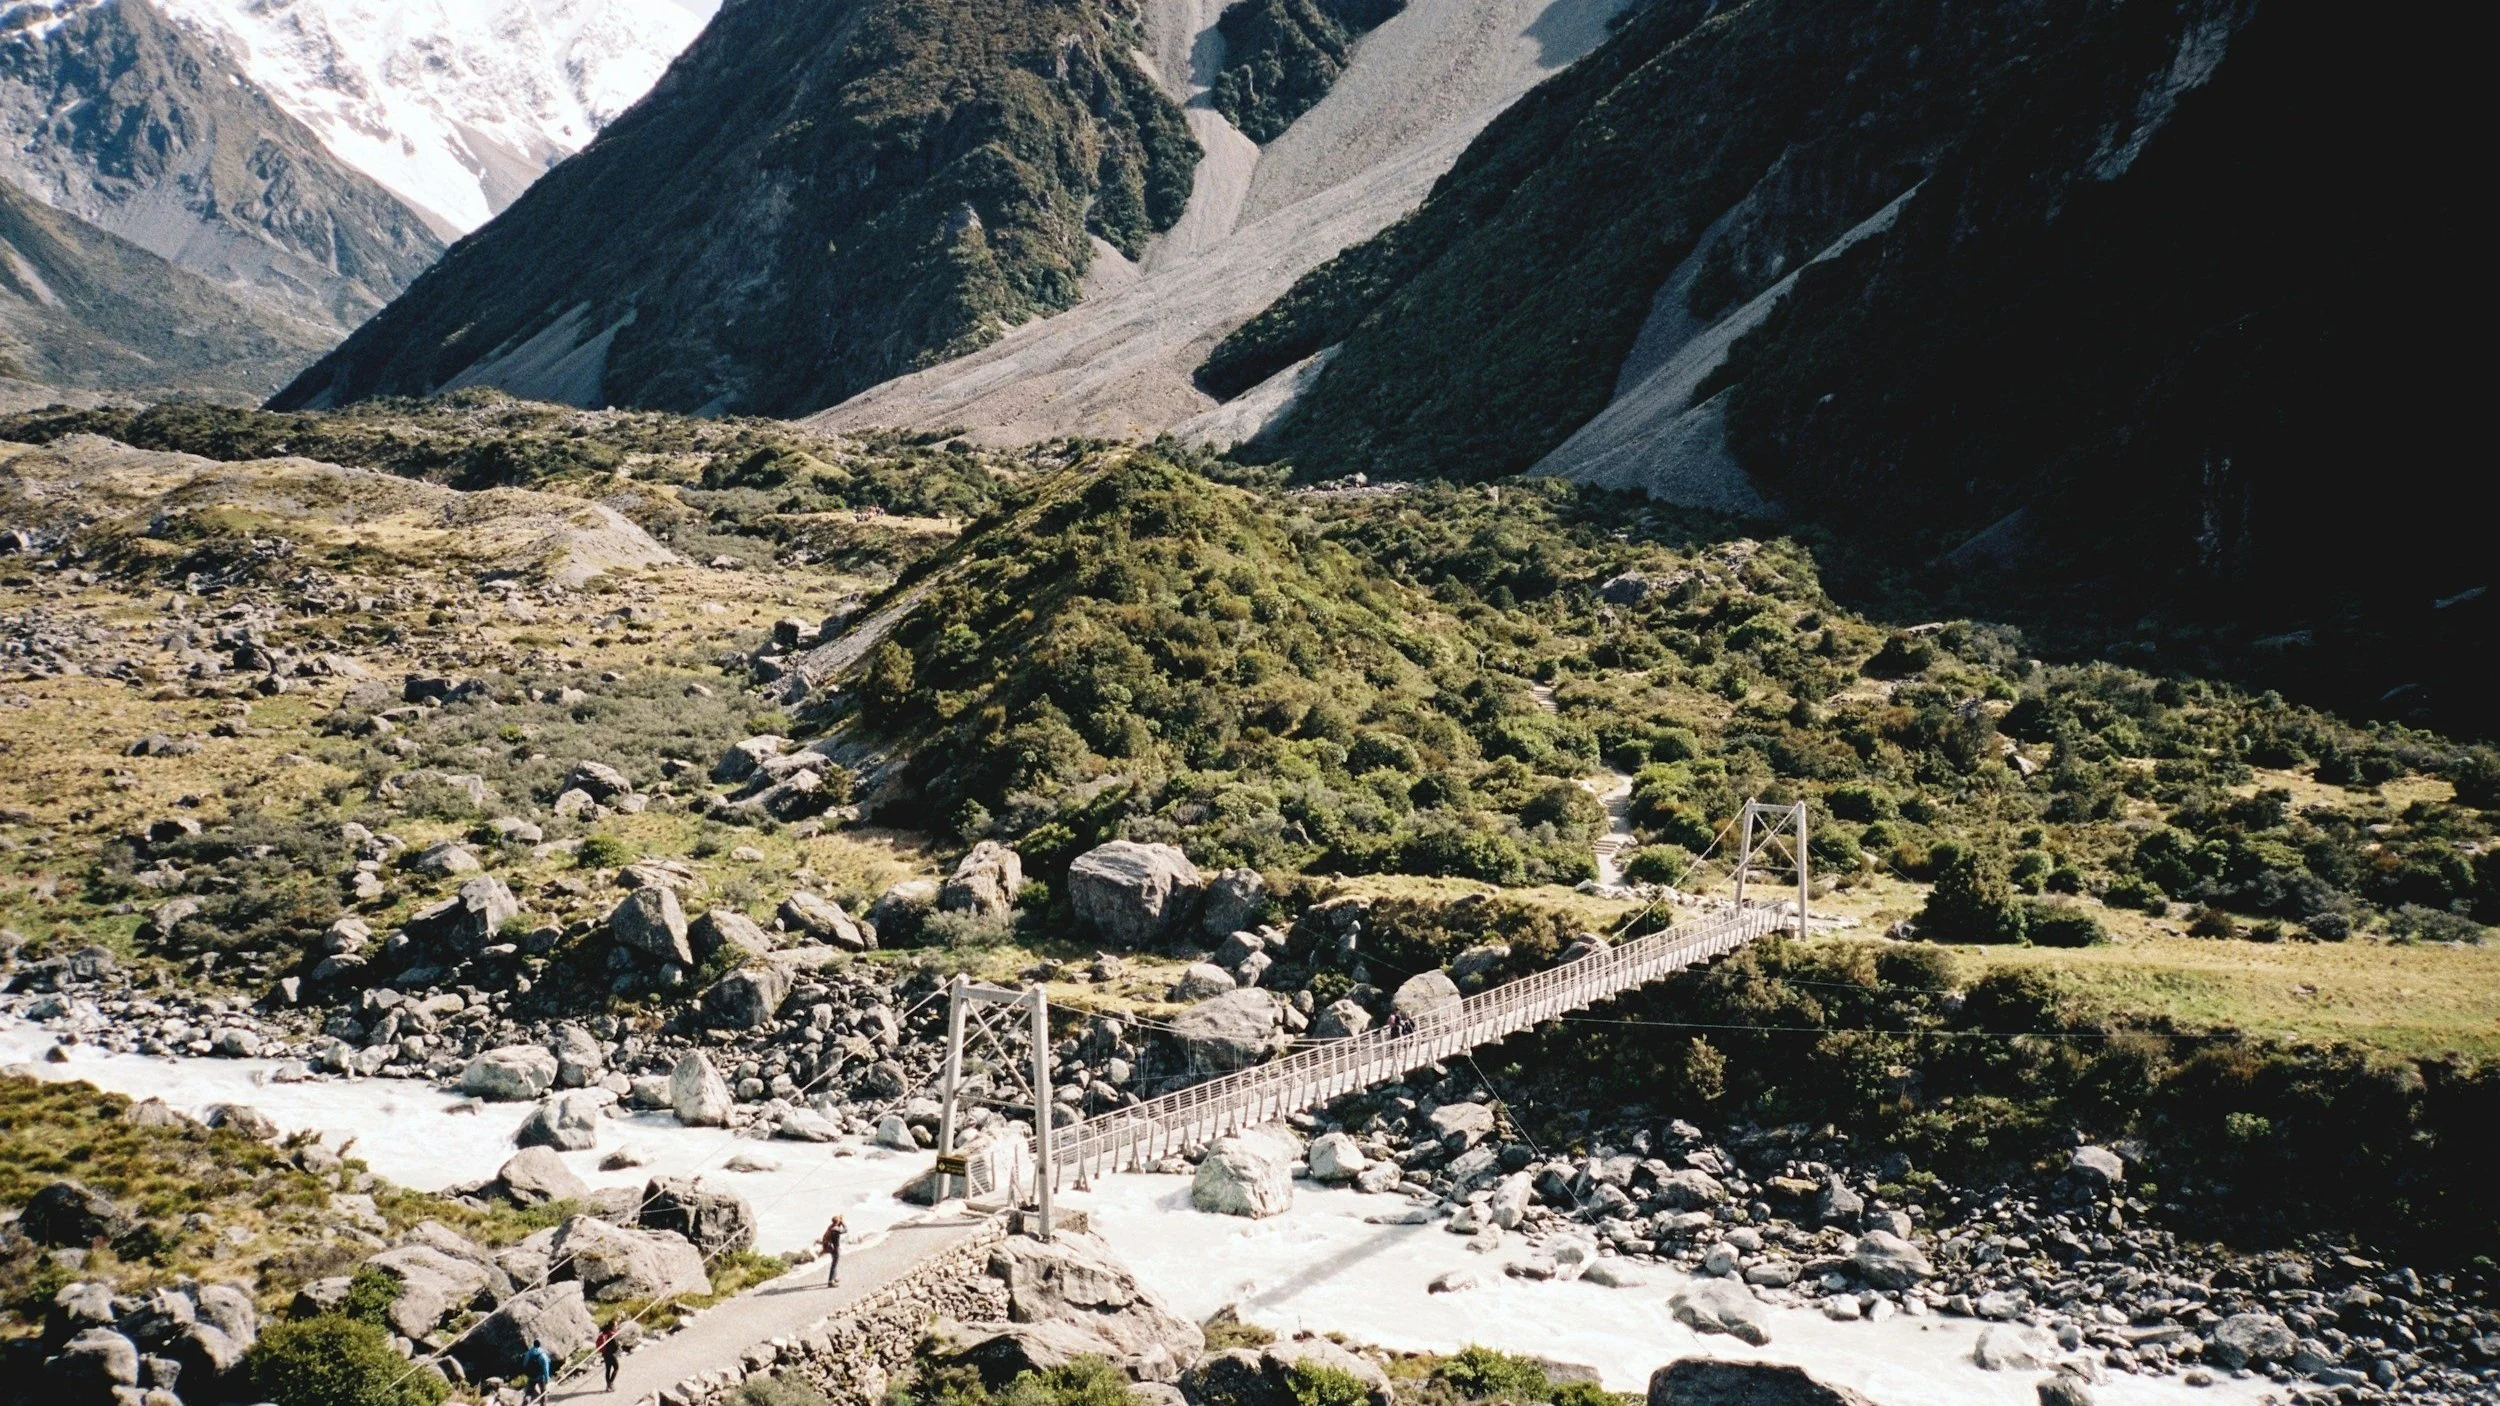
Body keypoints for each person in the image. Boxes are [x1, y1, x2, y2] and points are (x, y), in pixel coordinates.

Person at [521, 1338, 556, 1403]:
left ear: (533, 1344)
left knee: (529, 1392)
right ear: (540, 1345)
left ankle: (527, 1400)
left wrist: (528, 1373)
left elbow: (524, 1364)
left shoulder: (528, 1353)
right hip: (541, 1377)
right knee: (543, 1392)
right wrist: (547, 1378)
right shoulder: (543, 1355)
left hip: (531, 1376)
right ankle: (543, 1404)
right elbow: (546, 1368)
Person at [820, 1212, 846, 1287]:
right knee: (834, 1264)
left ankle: (834, 1277)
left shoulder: (831, 1227)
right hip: (835, 1248)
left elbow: (836, 1227)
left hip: (830, 1248)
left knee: (835, 1263)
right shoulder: (836, 1230)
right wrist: (843, 1223)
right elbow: (845, 1230)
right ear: (837, 1222)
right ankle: (830, 1282)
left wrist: (839, 1221)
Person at [597, 1323, 623, 1392]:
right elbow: (615, 1347)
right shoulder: (612, 1335)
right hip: (611, 1355)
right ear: (612, 1327)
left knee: (608, 1370)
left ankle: (608, 1386)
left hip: (605, 1354)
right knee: (616, 1368)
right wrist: (620, 1347)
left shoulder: (606, 1333)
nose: (617, 1327)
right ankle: (610, 1384)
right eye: (616, 1326)